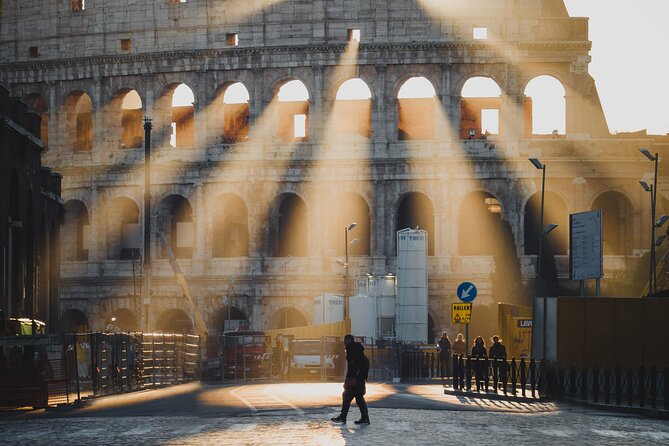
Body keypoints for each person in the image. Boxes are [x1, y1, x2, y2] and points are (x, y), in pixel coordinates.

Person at [331, 334, 370, 425]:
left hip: (355, 379)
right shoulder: (358, 350)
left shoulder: (351, 350)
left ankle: (343, 417)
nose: (344, 342)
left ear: (348, 340)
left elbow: (353, 366)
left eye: (345, 340)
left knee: (347, 396)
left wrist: (350, 378)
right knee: (359, 398)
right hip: (359, 379)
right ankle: (364, 418)